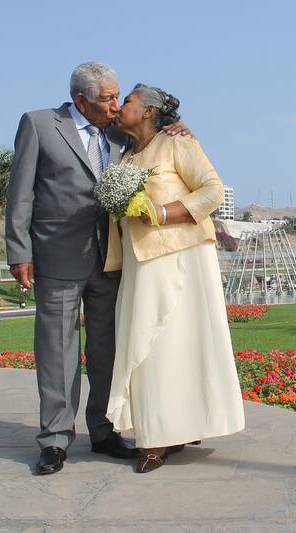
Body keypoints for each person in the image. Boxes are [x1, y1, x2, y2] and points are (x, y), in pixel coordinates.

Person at [5, 63, 189, 475]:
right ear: (82, 100)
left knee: (106, 348)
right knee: (57, 350)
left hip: (111, 258)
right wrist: (19, 251)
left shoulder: (115, 132)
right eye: (108, 98)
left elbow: (152, 125)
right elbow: (19, 194)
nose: (115, 105)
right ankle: (54, 439)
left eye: (118, 97)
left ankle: (103, 431)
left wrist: (179, 125)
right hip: (57, 257)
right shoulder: (38, 125)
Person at [104, 84, 245, 473]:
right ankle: (163, 428)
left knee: (172, 346)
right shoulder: (124, 155)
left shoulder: (177, 143)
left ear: (148, 111)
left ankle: (159, 439)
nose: (118, 108)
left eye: (127, 101)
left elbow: (213, 190)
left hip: (181, 257)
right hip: (139, 261)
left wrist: (164, 214)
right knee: (144, 345)